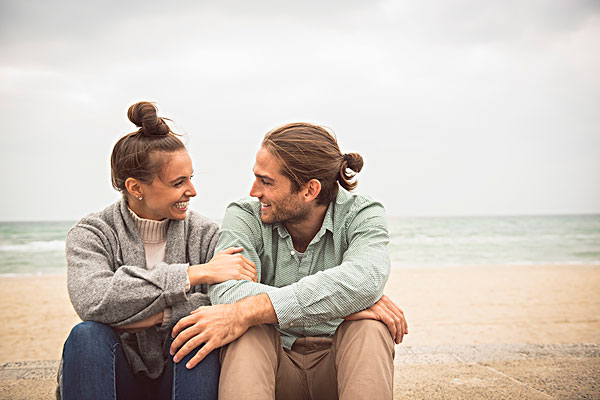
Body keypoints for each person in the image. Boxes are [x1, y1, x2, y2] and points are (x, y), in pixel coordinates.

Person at [169, 122, 408, 399]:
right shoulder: (245, 215)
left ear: (310, 190)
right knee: (248, 332)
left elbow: (365, 279)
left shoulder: (363, 213)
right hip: (272, 366)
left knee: (370, 328)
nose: (254, 191)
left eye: (267, 181)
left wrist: (248, 310)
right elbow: (226, 292)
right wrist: (340, 304)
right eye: (256, 177)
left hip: (339, 365)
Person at [58, 102, 256, 400]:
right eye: (178, 182)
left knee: (198, 335)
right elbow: (93, 302)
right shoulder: (92, 232)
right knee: (86, 335)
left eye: (191, 178)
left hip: (181, 374)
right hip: (116, 371)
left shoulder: (206, 234)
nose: (192, 191)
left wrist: (137, 314)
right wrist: (193, 274)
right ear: (136, 187)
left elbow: (221, 308)